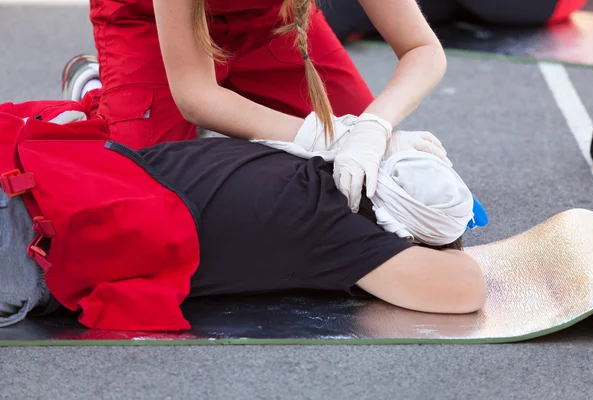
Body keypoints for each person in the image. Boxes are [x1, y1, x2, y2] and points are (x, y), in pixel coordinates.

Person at [0, 119, 486, 328]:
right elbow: (465, 290)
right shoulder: (336, 233)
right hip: (37, 244)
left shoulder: (302, 152)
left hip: (38, 179)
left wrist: (382, 135)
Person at [61, 0, 448, 213]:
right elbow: (196, 96)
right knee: (147, 213)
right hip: (153, 24)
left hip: (271, 22)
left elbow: (422, 48)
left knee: (378, 187)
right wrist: (335, 136)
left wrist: (374, 128)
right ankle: (100, 90)